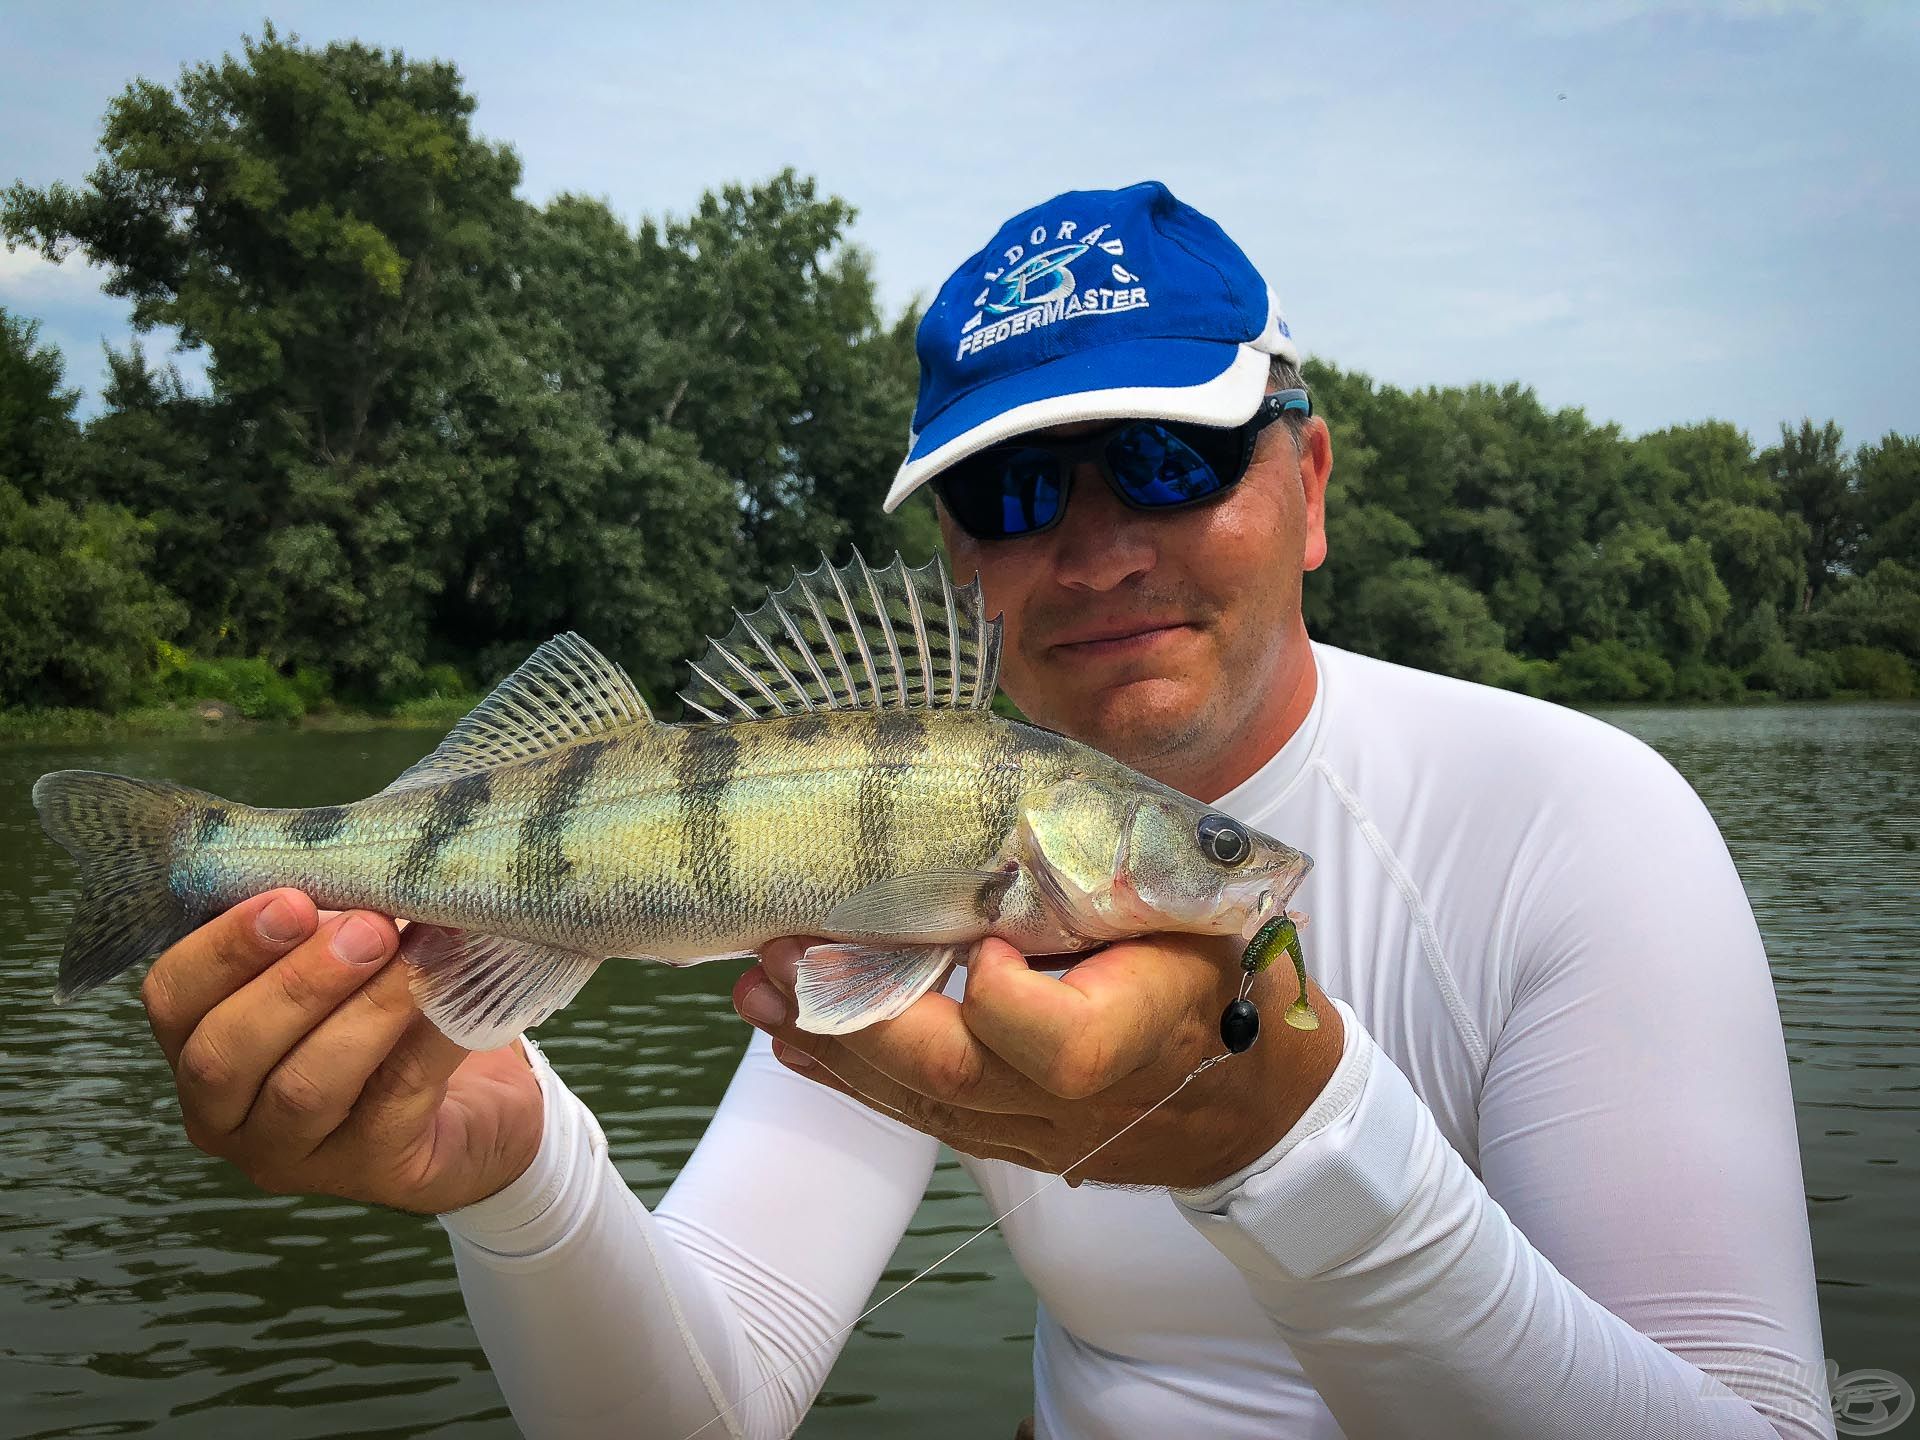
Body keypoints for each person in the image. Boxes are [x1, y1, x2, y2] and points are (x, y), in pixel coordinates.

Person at [139, 182, 1832, 1438]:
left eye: (1172, 456)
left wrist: (1296, 1145)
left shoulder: (1580, 822)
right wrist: (512, 1185)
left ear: (1308, 486)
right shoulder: (910, 880)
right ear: (963, 560)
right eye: (1018, 491)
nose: (1096, 548)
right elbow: (702, 1406)